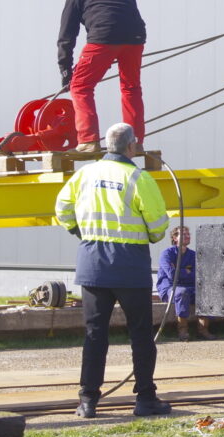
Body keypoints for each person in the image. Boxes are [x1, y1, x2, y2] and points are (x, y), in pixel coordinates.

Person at [54, 122, 172, 418]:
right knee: (141, 335)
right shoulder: (138, 178)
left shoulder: (84, 174)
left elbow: (62, 209)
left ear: (108, 145)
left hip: (93, 265)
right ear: (131, 147)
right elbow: (158, 226)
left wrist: (80, 231)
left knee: (95, 334)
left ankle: (87, 400)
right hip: (130, 267)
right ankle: (145, 398)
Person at [58, 0, 148, 153]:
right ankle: (136, 142)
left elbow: (66, 36)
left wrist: (66, 74)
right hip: (135, 38)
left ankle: (89, 141)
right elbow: (129, 11)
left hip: (103, 38)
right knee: (131, 87)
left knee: (80, 87)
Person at [156, 225, 215, 341]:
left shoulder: (193, 255)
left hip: (190, 288)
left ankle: (203, 329)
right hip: (169, 289)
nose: (187, 236)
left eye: (188, 234)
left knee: (206, 292)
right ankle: (183, 331)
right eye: (183, 234)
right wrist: (187, 271)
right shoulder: (166, 254)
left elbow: (199, 275)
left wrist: (182, 272)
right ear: (175, 238)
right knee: (181, 292)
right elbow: (172, 275)